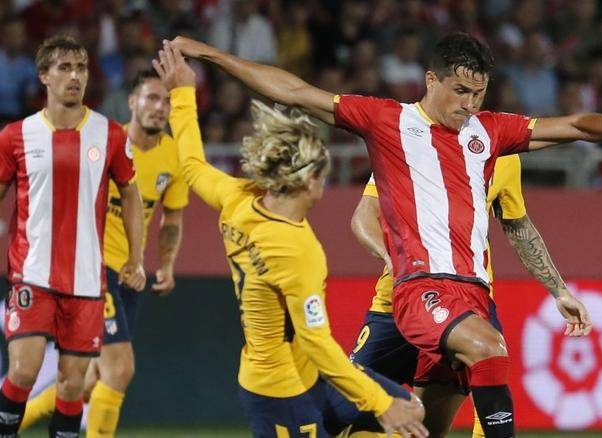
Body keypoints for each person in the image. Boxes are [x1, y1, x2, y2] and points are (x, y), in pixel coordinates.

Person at [170, 32, 602, 437]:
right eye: (460, 91)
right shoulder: (387, 121)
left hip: (473, 293)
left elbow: (573, 125)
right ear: (431, 80)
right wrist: (210, 55)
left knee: (426, 425)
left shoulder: (490, 132)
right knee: (490, 348)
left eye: (478, 93)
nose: (469, 104)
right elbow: (295, 91)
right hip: (422, 289)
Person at [151, 42, 427, 437]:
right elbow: (316, 341)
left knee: (408, 408)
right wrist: (379, 403)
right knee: (393, 410)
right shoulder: (298, 251)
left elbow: (193, 166)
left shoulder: (238, 199)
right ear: (308, 180)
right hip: (280, 391)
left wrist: (181, 93)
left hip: (310, 373)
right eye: (323, 176)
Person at [348, 151, 585, 437]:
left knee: (447, 419)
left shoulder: (502, 154)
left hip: (467, 299)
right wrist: (395, 261)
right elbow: (365, 215)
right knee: (351, 408)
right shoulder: (405, 143)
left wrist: (559, 290)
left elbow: (517, 224)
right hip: (398, 300)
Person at [19, 69, 189, 437]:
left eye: (167, 101)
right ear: (132, 102)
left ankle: (12, 423)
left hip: (130, 274)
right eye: (152, 98)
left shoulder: (173, 157)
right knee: (120, 368)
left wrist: (167, 264)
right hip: (91, 270)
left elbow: (172, 216)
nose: (160, 107)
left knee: (89, 380)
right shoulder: (105, 142)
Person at [0, 35, 146, 437]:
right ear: (44, 76)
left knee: (72, 383)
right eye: (65, 68)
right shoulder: (16, 136)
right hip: (32, 274)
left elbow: (130, 195)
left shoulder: (110, 134)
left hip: (87, 281)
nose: (75, 76)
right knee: (23, 370)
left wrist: (136, 258)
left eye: (81, 68)